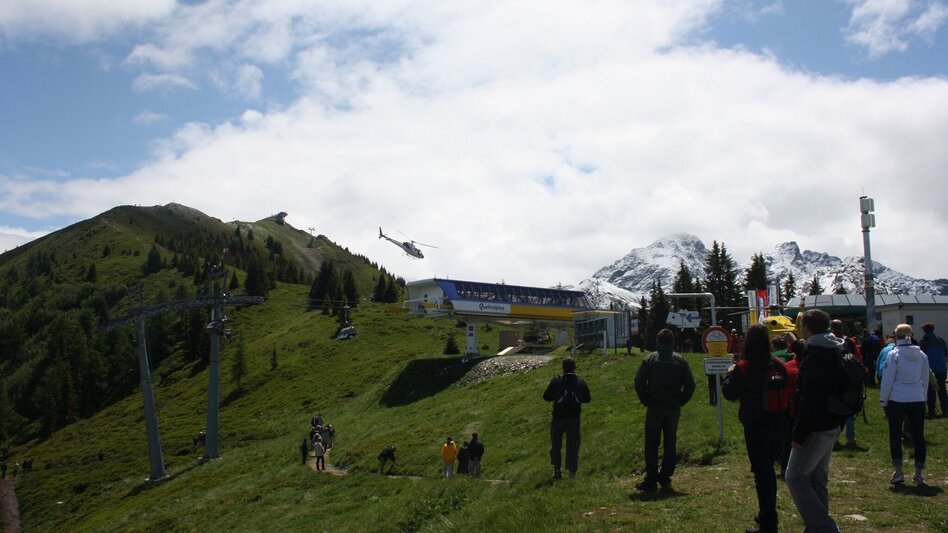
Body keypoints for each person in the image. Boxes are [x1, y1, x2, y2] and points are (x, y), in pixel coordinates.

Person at [784, 309, 846, 532]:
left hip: (815, 427)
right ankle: (816, 527)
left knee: (795, 477)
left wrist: (798, 434)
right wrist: (796, 345)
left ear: (807, 328)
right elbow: (810, 350)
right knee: (817, 478)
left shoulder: (815, 356)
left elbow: (810, 399)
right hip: (833, 422)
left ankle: (824, 527)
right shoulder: (833, 347)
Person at [722, 324, 787, 533]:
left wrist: (728, 373)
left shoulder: (744, 366)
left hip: (755, 425)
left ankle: (768, 522)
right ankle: (767, 516)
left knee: (762, 474)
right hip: (778, 423)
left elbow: (730, 394)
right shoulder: (777, 364)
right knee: (768, 470)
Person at [634, 328, 696, 492]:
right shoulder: (680, 360)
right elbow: (691, 384)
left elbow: (638, 382)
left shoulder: (650, 359)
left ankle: (651, 480)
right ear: (673, 342)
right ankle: (666, 477)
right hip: (673, 407)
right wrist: (681, 401)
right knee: (670, 443)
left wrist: (646, 399)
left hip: (655, 406)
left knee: (652, 443)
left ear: (657, 342)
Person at [880, 324, 930, 485]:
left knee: (895, 435)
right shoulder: (921, 354)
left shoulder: (894, 354)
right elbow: (925, 379)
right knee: (918, 436)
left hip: (898, 398)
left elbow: (888, 379)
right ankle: (919, 472)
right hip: (917, 397)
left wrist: (884, 399)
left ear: (896, 336)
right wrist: (923, 397)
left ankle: (899, 471)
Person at [543, 357, 592, 479]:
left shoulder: (557, 381)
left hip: (558, 417)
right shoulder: (580, 381)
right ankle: (572, 472)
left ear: (563, 367)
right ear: (575, 367)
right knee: (573, 445)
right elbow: (587, 399)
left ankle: (557, 470)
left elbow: (546, 397)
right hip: (574, 418)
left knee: (556, 444)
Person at [831, 319, 862, 449]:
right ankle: (851, 439)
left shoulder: (828, 341)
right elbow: (858, 358)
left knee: (834, 411)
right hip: (850, 380)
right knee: (850, 410)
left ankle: (835, 440)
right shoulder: (849, 341)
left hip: (834, 380)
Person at [919, 322, 948, 418]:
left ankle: (931, 411)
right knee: (942, 389)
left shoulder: (924, 341)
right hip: (942, 368)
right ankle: (945, 410)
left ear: (924, 330)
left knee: (930, 390)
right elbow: (945, 353)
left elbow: (921, 356)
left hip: (931, 369)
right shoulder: (941, 340)